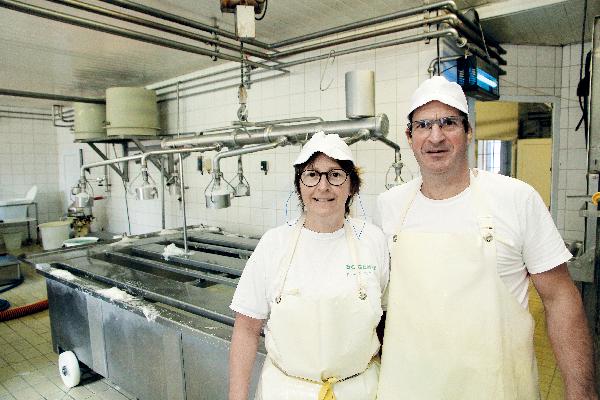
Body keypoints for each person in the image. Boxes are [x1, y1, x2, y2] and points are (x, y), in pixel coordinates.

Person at [376, 76, 597, 399]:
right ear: (409, 137)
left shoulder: (516, 198)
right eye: (423, 125)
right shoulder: (391, 206)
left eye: (448, 123)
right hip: (409, 388)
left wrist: (582, 392)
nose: (435, 136)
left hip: (497, 388)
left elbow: (560, 297)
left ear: (468, 131)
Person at [228, 132, 389, 400]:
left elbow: (385, 321)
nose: (323, 186)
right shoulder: (274, 243)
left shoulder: (372, 240)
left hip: (360, 391)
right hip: (286, 392)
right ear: (299, 185)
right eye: (312, 175)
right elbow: (246, 329)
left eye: (335, 175)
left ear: (352, 185)